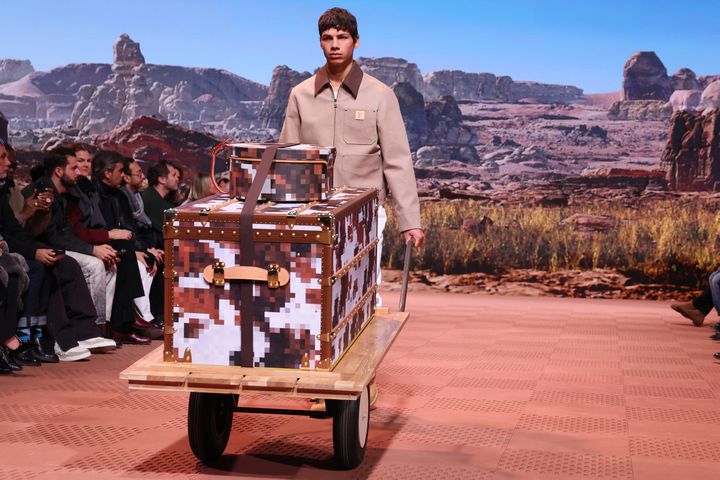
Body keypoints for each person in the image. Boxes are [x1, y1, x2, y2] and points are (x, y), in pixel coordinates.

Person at [279, 7, 425, 407]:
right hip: (313, 215)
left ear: (355, 42)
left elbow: (397, 161)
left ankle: (364, 379)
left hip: (363, 216)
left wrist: (408, 220)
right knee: (310, 297)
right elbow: (287, 160)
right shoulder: (300, 94)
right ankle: (316, 382)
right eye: (327, 38)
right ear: (320, 42)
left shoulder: (380, 95)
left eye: (342, 38)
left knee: (363, 297)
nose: (334, 45)